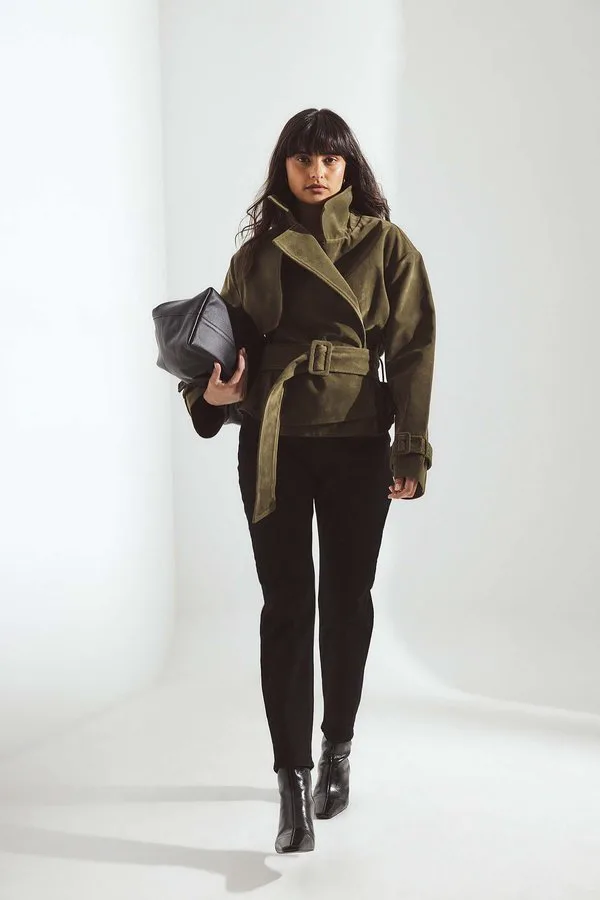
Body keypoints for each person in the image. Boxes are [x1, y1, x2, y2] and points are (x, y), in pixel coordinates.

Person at [179, 108, 436, 854]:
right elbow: (223, 346)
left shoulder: (387, 245)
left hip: (358, 443)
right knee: (287, 607)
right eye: (302, 160)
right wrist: (211, 395)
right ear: (284, 168)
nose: (316, 172)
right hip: (273, 444)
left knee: (347, 602)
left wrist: (410, 450)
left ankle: (338, 748)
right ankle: (290, 781)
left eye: (329, 159)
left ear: (348, 167)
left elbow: (413, 348)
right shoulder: (256, 255)